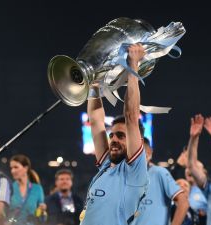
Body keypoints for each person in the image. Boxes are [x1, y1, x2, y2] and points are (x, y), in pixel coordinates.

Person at [80, 43, 148, 225]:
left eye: (121, 135)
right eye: (112, 136)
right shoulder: (105, 167)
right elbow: (95, 120)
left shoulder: (134, 171)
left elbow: (131, 116)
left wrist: (133, 65)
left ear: (137, 140)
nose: (114, 140)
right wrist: (94, 82)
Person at [135, 137, 188, 225]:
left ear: (150, 153)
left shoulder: (159, 172)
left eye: (144, 152)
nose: (141, 155)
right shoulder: (126, 176)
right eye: (137, 152)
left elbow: (183, 203)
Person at [7, 154, 46, 225]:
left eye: (16, 167)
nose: (12, 171)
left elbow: (40, 218)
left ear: (25, 168)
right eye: (11, 168)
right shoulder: (9, 188)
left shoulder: (37, 189)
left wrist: (42, 211)